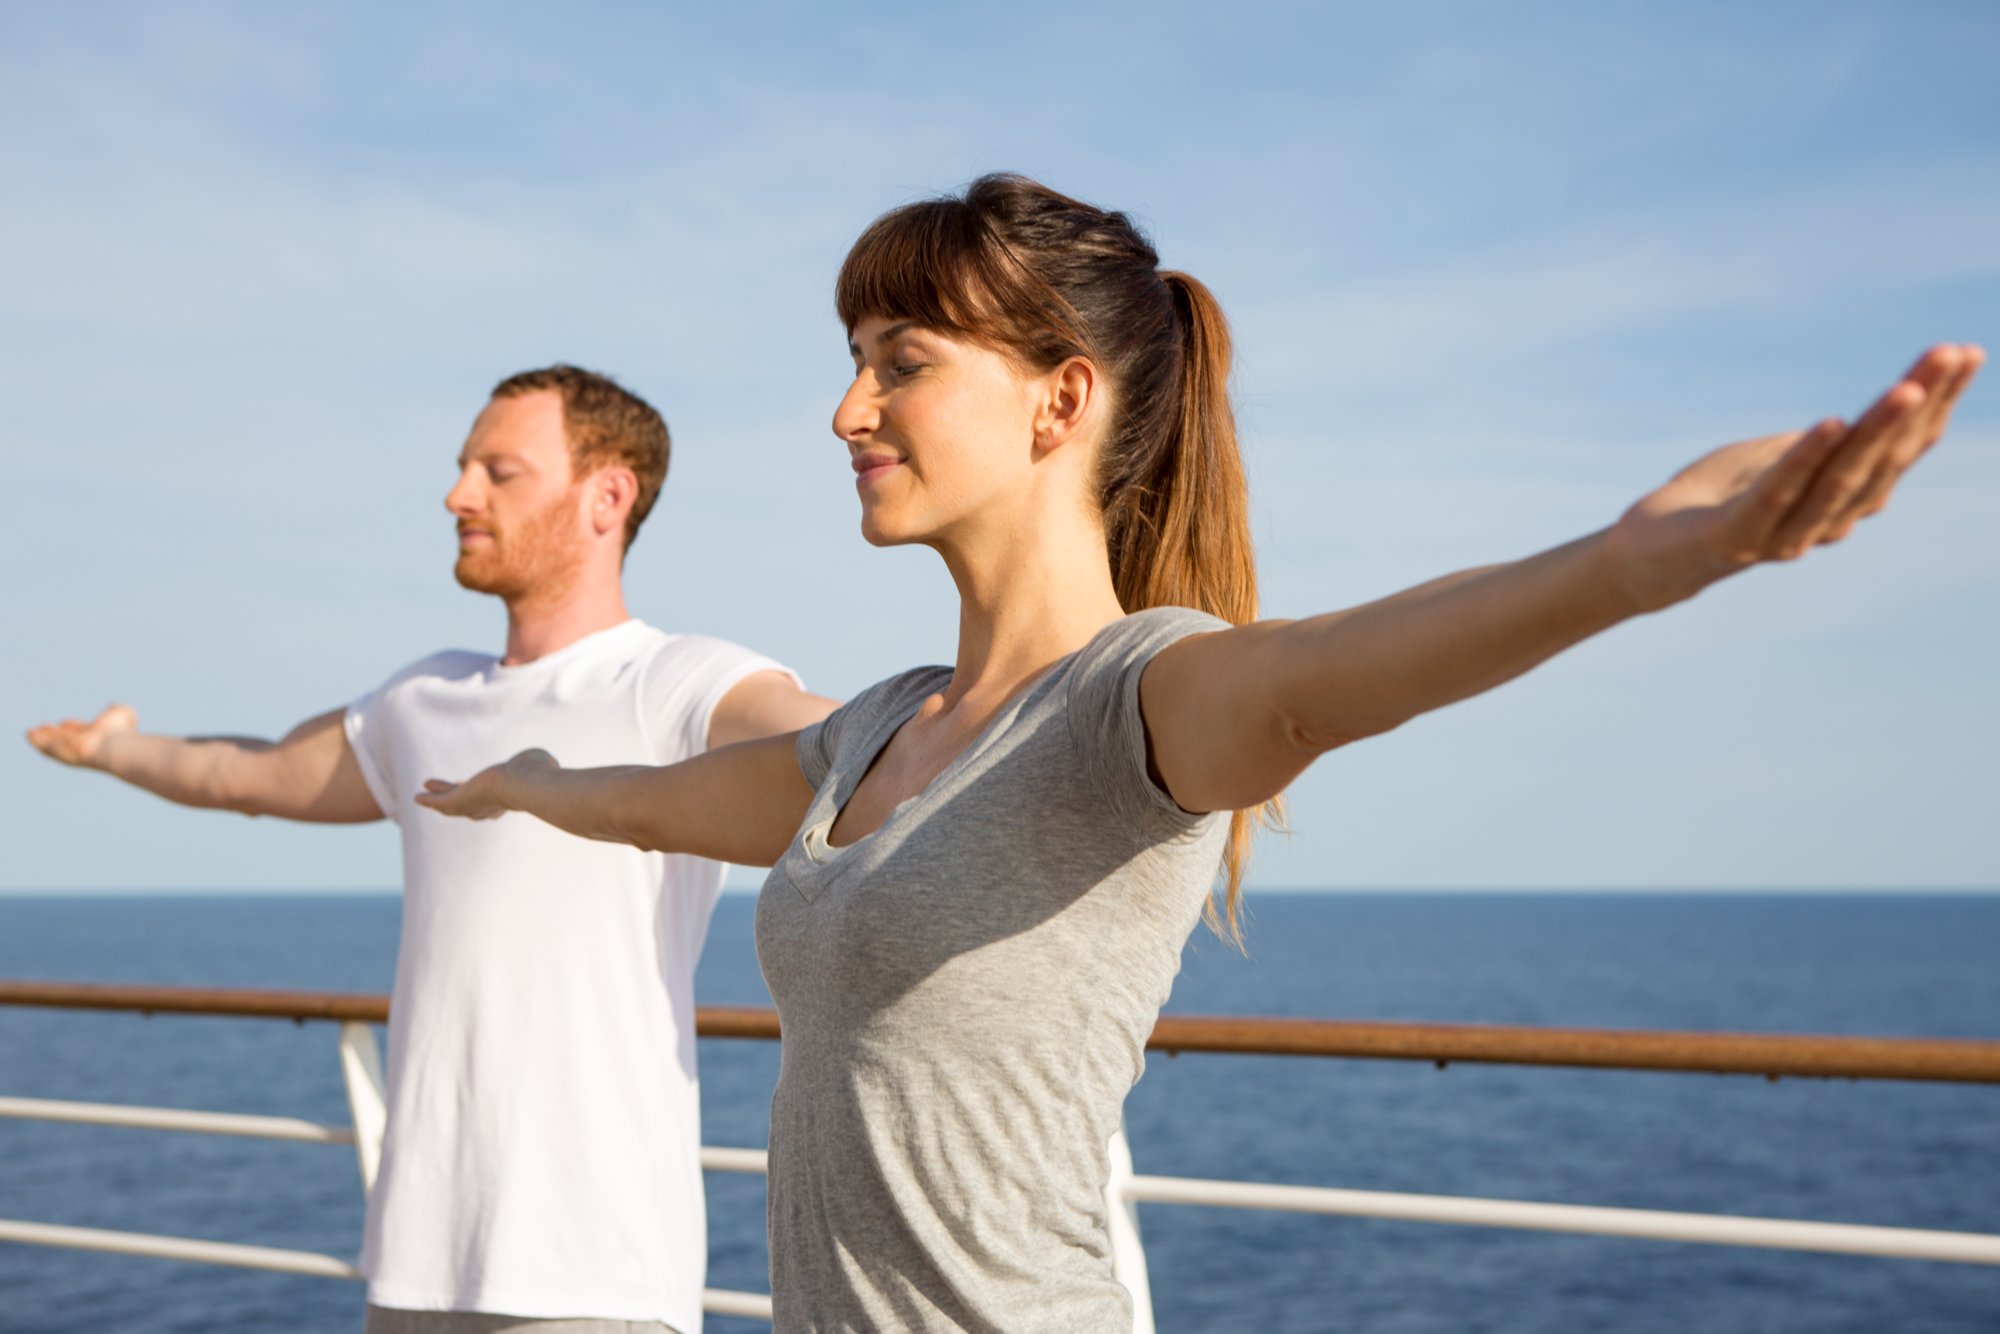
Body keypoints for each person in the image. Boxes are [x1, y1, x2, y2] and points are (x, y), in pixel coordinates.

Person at [415, 177, 1984, 1333]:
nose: (847, 406)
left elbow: (1331, 668)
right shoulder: (877, 726)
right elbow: (646, 800)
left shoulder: (1139, 700)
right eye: (852, 356)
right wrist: (520, 787)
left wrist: (1641, 559)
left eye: (901, 360)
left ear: (1061, 400)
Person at [27, 365, 836, 1334]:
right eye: (463, 469)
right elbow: (248, 774)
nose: (459, 495)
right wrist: (108, 747)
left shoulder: (673, 679)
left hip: (591, 1271)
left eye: (499, 471)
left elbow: (836, 745)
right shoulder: (422, 700)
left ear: (606, 495)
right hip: (414, 1262)